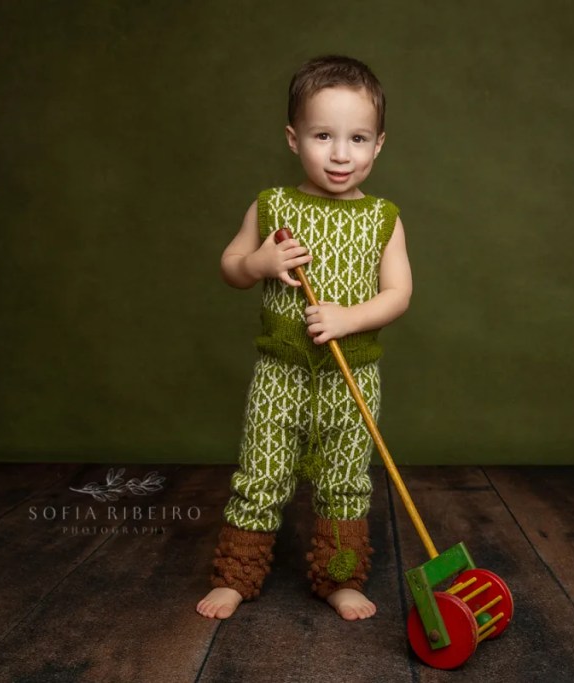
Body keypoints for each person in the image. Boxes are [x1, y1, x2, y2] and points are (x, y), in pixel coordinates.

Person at [195, 55, 411, 622]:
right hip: (281, 373)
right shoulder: (274, 206)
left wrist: (348, 318)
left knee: (345, 480)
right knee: (261, 470)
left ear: (378, 145)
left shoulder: (384, 218)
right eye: (323, 136)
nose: (341, 154)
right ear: (294, 139)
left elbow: (398, 295)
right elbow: (231, 266)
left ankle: (338, 580)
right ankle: (237, 576)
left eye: (357, 138)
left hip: (352, 376)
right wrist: (261, 261)